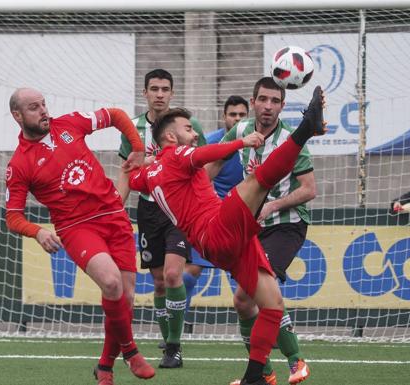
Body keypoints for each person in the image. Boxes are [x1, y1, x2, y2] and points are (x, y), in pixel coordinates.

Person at [128, 86, 326, 385]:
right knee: (258, 179)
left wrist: (136, 162)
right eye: (188, 129)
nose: (195, 134)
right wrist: (239, 142)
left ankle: (256, 376)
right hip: (214, 228)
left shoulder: (150, 173)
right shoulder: (176, 156)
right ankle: (305, 130)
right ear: (170, 137)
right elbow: (207, 153)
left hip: (215, 244)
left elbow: (135, 178)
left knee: (270, 305)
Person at [4, 88, 155, 385]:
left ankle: (104, 367)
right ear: (18, 116)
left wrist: (137, 147)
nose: (44, 111)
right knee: (111, 282)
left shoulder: (70, 124)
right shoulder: (19, 164)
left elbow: (116, 115)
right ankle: (130, 351)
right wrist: (37, 232)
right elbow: (13, 216)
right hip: (78, 227)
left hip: (114, 215)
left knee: (124, 299)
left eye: (44, 104)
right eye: (34, 107)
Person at [212, 77, 315, 385]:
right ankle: (263, 372)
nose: (268, 106)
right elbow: (215, 162)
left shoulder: (291, 140)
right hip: (251, 227)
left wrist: (273, 205)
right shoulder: (241, 130)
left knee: (253, 292)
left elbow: (310, 190)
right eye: (263, 100)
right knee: (243, 302)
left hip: (286, 225)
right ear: (253, 102)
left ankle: (297, 362)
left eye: (275, 101)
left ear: (283, 106)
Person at [116, 69, 206, 368]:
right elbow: (128, 171)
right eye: (153, 88)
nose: (159, 94)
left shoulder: (187, 126)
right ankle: (169, 341)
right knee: (157, 283)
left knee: (172, 275)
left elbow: (203, 161)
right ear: (144, 93)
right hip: (148, 210)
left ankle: (174, 346)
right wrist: (117, 208)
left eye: (165, 89)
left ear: (172, 93)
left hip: (179, 210)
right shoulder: (133, 129)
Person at [182, 95, 249, 322]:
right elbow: (196, 176)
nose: (237, 119)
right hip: (214, 217)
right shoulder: (211, 142)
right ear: (224, 117)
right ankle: (176, 331)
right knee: (189, 273)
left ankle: (262, 331)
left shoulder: (258, 143)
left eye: (242, 115)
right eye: (233, 114)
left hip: (247, 217)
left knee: (251, 281)